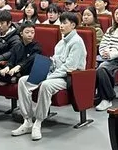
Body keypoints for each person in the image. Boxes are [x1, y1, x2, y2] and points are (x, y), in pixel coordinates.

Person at [12, 12, 87, 141]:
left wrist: (48, 77)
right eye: (61, 23)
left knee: (46, 85)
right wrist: (45, 67)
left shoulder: (77, 42)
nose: (61, 26)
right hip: (55, 74)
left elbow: (69, 67)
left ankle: (38, 122)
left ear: (73, 25)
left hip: (69, 78)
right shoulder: (61, 42)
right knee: (23, 80)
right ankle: (27, 120)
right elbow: (56, 61)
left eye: (65, 23)